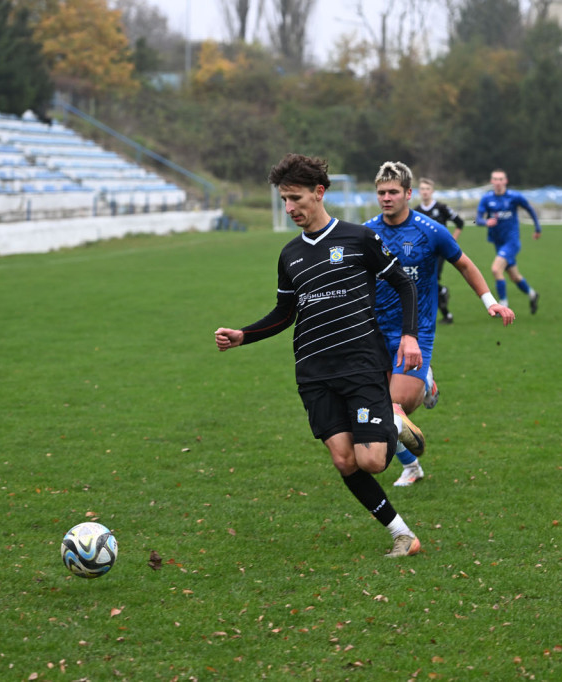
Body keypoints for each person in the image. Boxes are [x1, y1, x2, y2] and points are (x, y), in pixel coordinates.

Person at [214, 153, 426, 558]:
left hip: (362, 363)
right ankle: (403, 535)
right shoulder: (289, 255)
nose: (290, 208)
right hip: (313, 371)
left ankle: (391, 419)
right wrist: (244, 335)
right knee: (345, 461)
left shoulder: (358, 239)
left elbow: (403, 284)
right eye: (284, 201)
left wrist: (409, 337)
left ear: (319, 192)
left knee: (373, 461)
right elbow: (284, 314)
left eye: (296, 198)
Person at [366, 162, 515, 487]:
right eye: (381, 192)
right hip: (375, 335)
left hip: (415, 335)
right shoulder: (367, 232)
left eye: (393, 192)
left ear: (408, 193)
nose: (386, 198)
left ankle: (424, 382)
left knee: (391, 410)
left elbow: (464, 264)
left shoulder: (430, 230)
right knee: (379, 415)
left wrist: (490, 302)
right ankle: (412, 466)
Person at [476, 169, 542, 314]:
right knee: (514, 276)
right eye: (495, 179)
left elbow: (530, 209)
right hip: (498, 242)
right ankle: (532, 294)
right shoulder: (487, 199)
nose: (498, 182)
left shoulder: (514, 197)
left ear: (505, 181)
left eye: (501, 179)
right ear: (491, 182)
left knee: (495, 269)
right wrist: (486, 222)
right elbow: (477, 220)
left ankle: (503, 304)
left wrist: (537, 228)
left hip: (512, 242)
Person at [414, 177, 465, 325]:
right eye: (422, 189)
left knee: (431, 280)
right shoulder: (416, 211)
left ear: (432, 191)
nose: (425, 192)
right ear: (419, 191)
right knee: (425, 282)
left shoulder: (442, 208)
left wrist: (452, 241)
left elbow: (460, 223)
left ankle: (442, 315)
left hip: (439, 251)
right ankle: (444, 307)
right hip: (423, 253)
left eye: (427, 189)